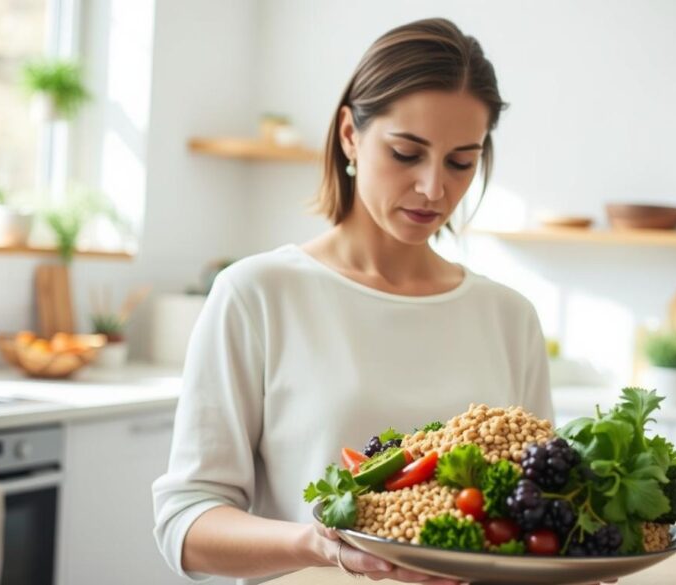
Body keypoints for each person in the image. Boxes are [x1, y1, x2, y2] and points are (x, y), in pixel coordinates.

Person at [152, 17, 553, 585]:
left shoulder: (509, 317)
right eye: (407, 153)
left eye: (462, 161)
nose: (435, 188)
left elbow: (533, 511)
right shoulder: (257, 293)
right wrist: (321, 545)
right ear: (349, 135)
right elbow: (185, 524)